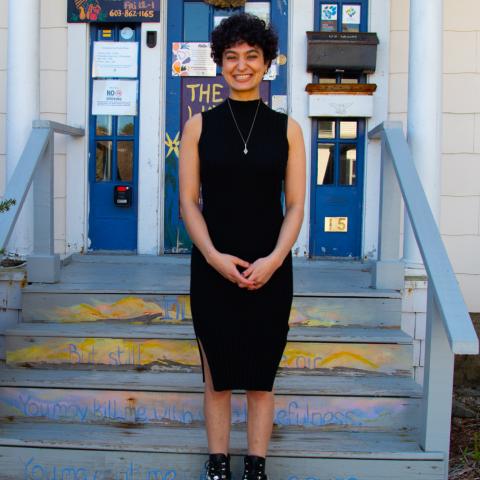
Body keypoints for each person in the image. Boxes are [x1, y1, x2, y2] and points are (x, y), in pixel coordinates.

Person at [179, 12, 306, 480]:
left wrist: (274, 260)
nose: (242, 65)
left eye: (252, 56)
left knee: (260, 375)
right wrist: (212, 256)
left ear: (267, 62)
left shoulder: (288, 129)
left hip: (270, 268)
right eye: (231, 56)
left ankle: (256, 466)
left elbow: (294, 207)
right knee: (218, 375)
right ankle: (217, 465)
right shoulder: (199, 127)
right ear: (220, 63)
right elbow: (189, 202)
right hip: (212, 266)